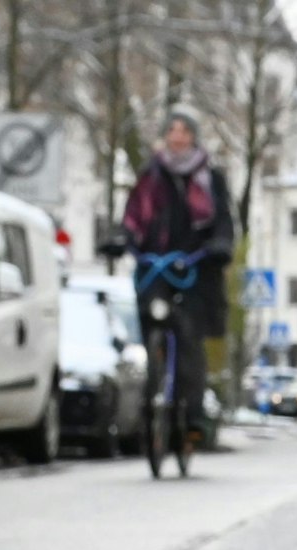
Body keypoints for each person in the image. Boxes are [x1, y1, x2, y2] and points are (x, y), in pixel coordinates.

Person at [114, 107, 235, 426]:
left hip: (196, 266)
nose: (178, 137)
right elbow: (133, 216)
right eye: (172, 130)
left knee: (189, 333)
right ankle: (149, 396)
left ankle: (191, 411)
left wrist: (220, 244)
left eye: (184, 131)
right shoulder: (150, 175)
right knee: (150, 319)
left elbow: (223, 219)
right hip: (156, 265)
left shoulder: (210, 178)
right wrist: (121, 238)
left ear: (194, 137)